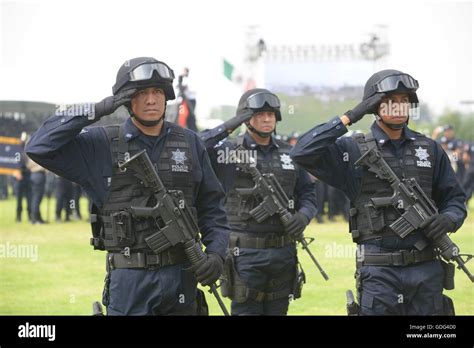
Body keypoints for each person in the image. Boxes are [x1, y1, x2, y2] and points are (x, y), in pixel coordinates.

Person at [26, 57, 230, 315]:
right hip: (130, 281)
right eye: (142, 93)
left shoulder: (190, 143)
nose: (151, 100)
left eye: (157, 92)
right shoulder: (100, 144)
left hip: (183, 276)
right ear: (126, 99)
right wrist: (100, 108)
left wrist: (216, 254)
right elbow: (39, 146)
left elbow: (213, 208)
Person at [290, 69, 467, 315]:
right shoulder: (351, 150)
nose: (398, 107)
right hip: (378, 274)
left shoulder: (429, 148)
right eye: (390, 101)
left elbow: (455, 200)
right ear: (374, 105)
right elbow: (302, 152)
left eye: (404, 100)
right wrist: (352, 115)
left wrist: (449, 219)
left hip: (426, 270)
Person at [201, 88, 318, 315]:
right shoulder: (227, 151)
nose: (266, 119)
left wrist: (302, 217)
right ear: (246, 118)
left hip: (283, 252)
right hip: (244, 255)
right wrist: (231, 125)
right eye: (259, 114)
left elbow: (309, 194)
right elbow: (196, 145)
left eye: (271, 114)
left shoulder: (290, 153)